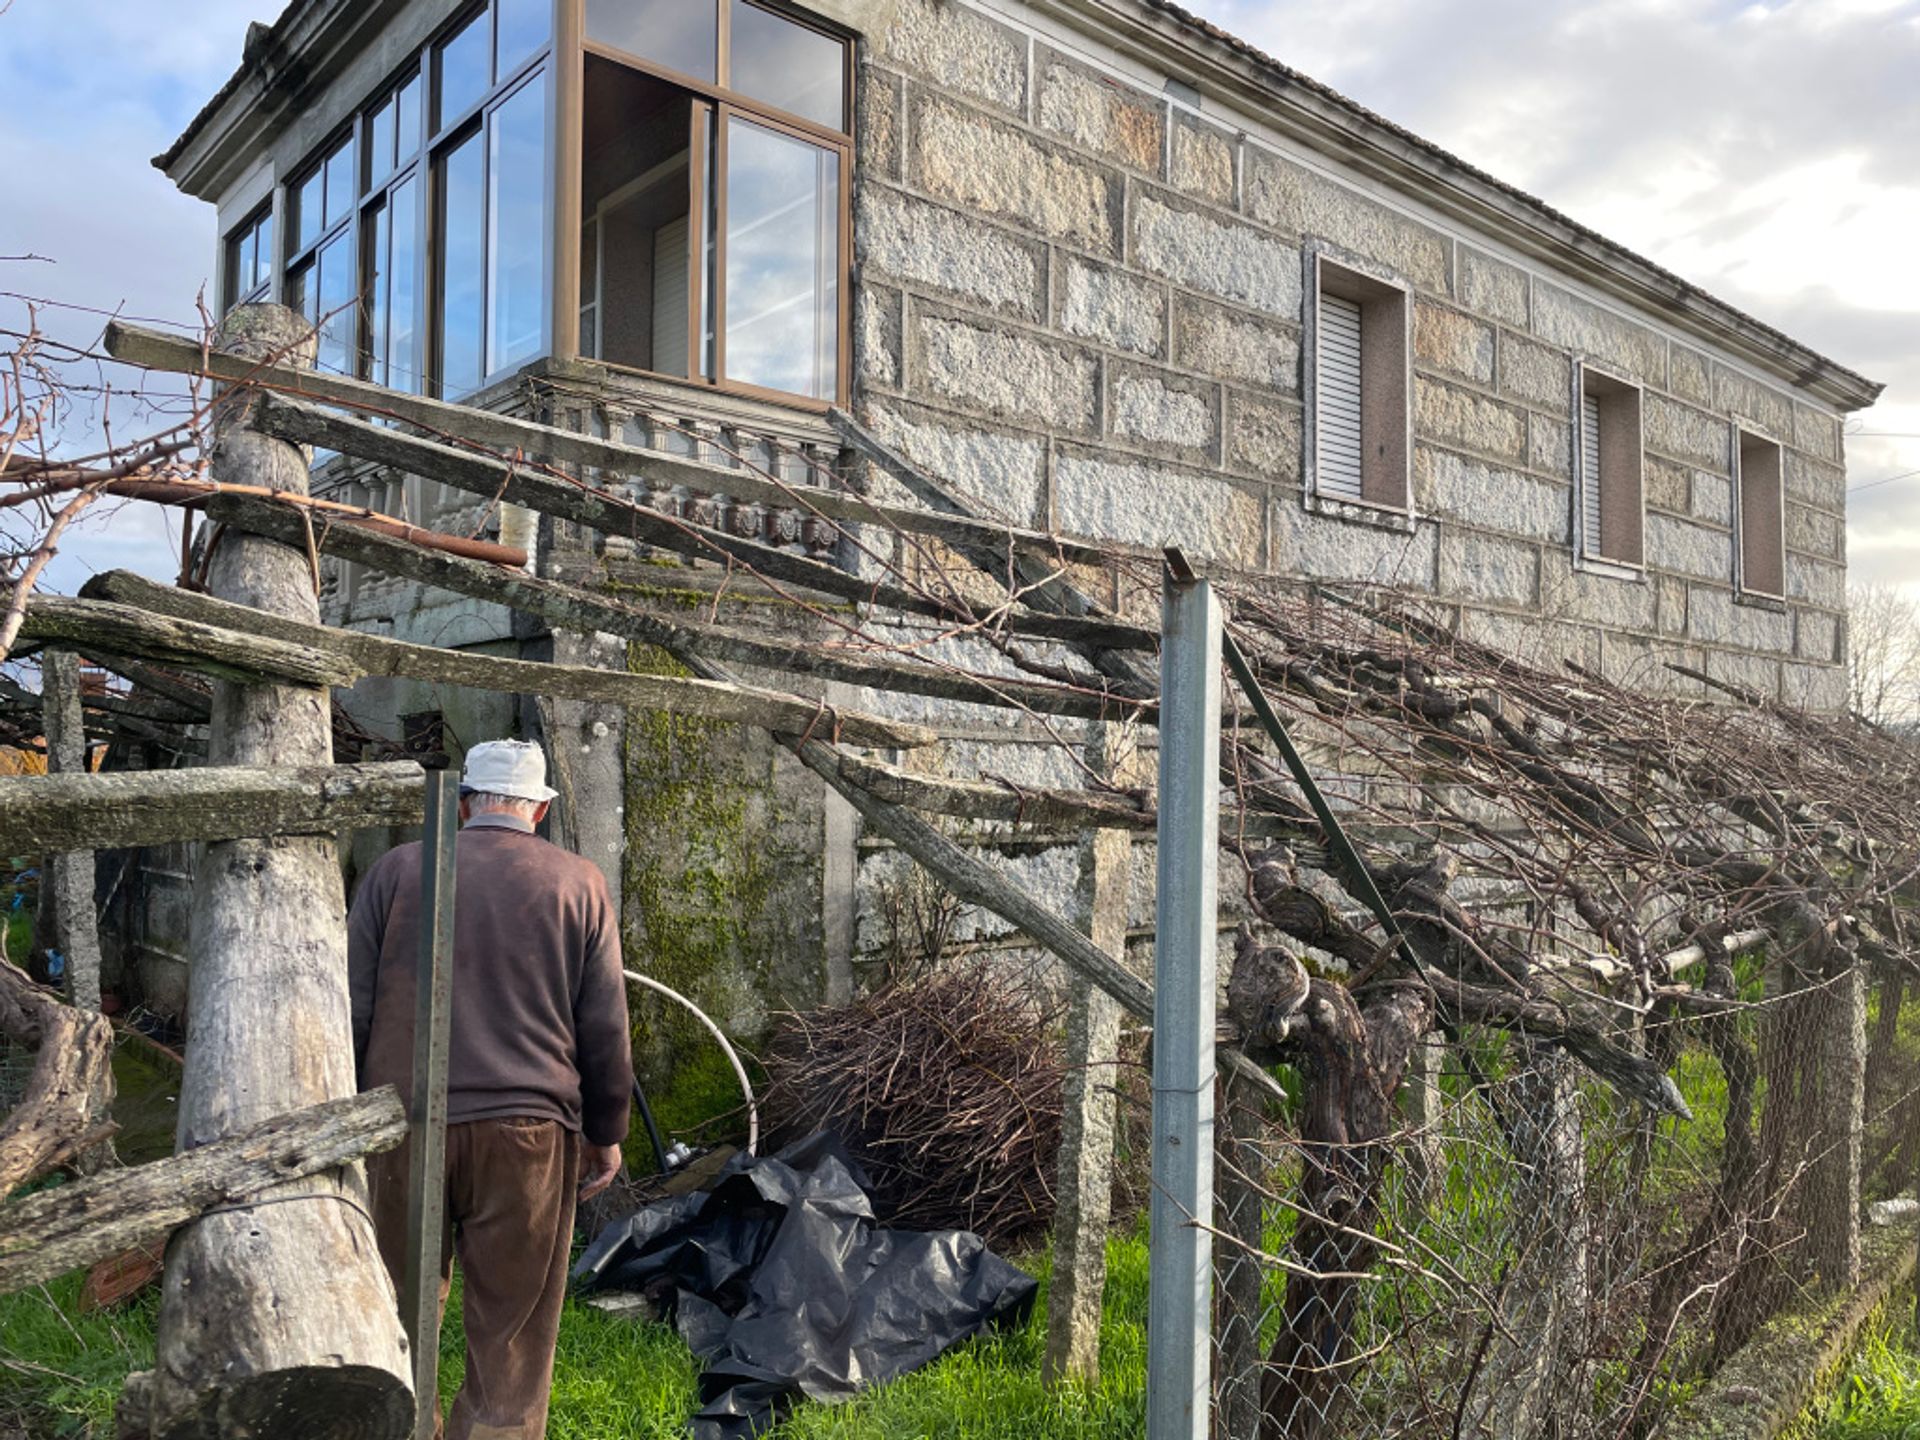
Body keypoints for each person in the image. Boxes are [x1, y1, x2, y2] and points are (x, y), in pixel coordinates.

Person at [349, 739, 632, 1440]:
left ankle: (397, 1428)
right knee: (512, 1325)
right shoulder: (578, 882)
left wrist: (350, 1126)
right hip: (528, 1131)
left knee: (394, 1304)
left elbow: (348, 1004)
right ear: (538, 810)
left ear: (466, 803)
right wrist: (606, 1130)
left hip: (402, 1123)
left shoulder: (396, 871)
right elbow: (604, 1023)